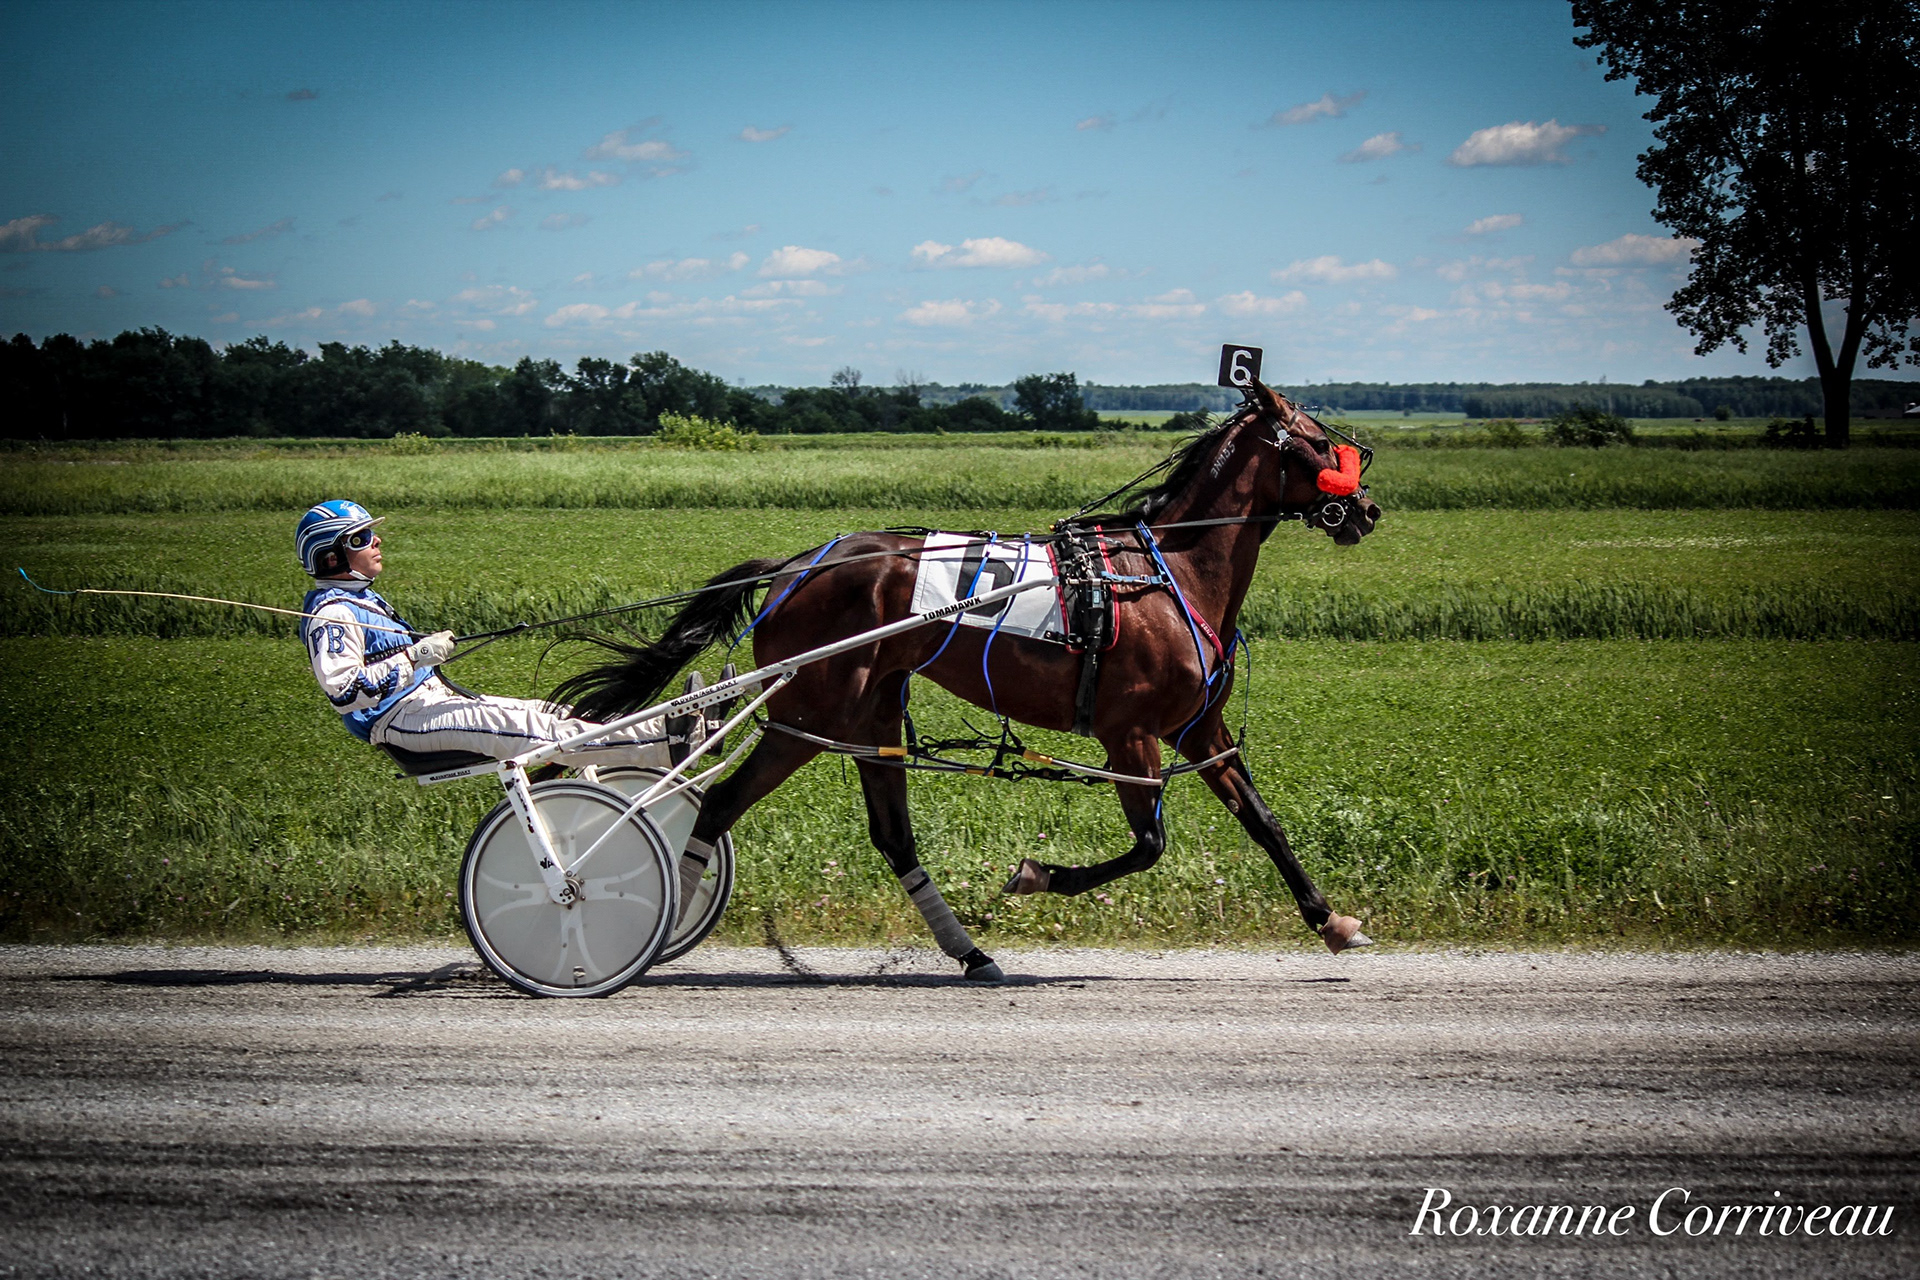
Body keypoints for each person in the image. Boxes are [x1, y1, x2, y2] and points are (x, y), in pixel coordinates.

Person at [294, 500, 705, 775]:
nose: (377, 541)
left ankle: (676, 724)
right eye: (361, 538)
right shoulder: (331, 613)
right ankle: (669, 742)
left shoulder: (360, 599)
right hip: (398, 719)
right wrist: (415, 657)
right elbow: (344, 693)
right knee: (532, 730)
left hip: (433, 701)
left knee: (554, 713)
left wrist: (419, 657)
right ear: (331, 556)